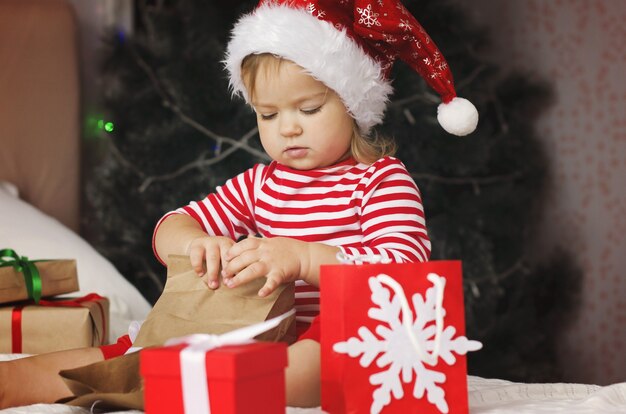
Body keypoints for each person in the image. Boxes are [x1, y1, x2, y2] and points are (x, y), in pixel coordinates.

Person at [0, 0, 478, 409]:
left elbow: (404, 272)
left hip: (337, 337)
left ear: (353, 104)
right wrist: (197, 244)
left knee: (332, 341)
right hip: (251, 329)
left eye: (308, 110)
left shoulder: (380, 181)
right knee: (131, 352)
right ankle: (17, 382)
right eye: (268, 114)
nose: (287, 127)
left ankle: (217, 383)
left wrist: (306, 258)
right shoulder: (258, 184)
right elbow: (171, 225)